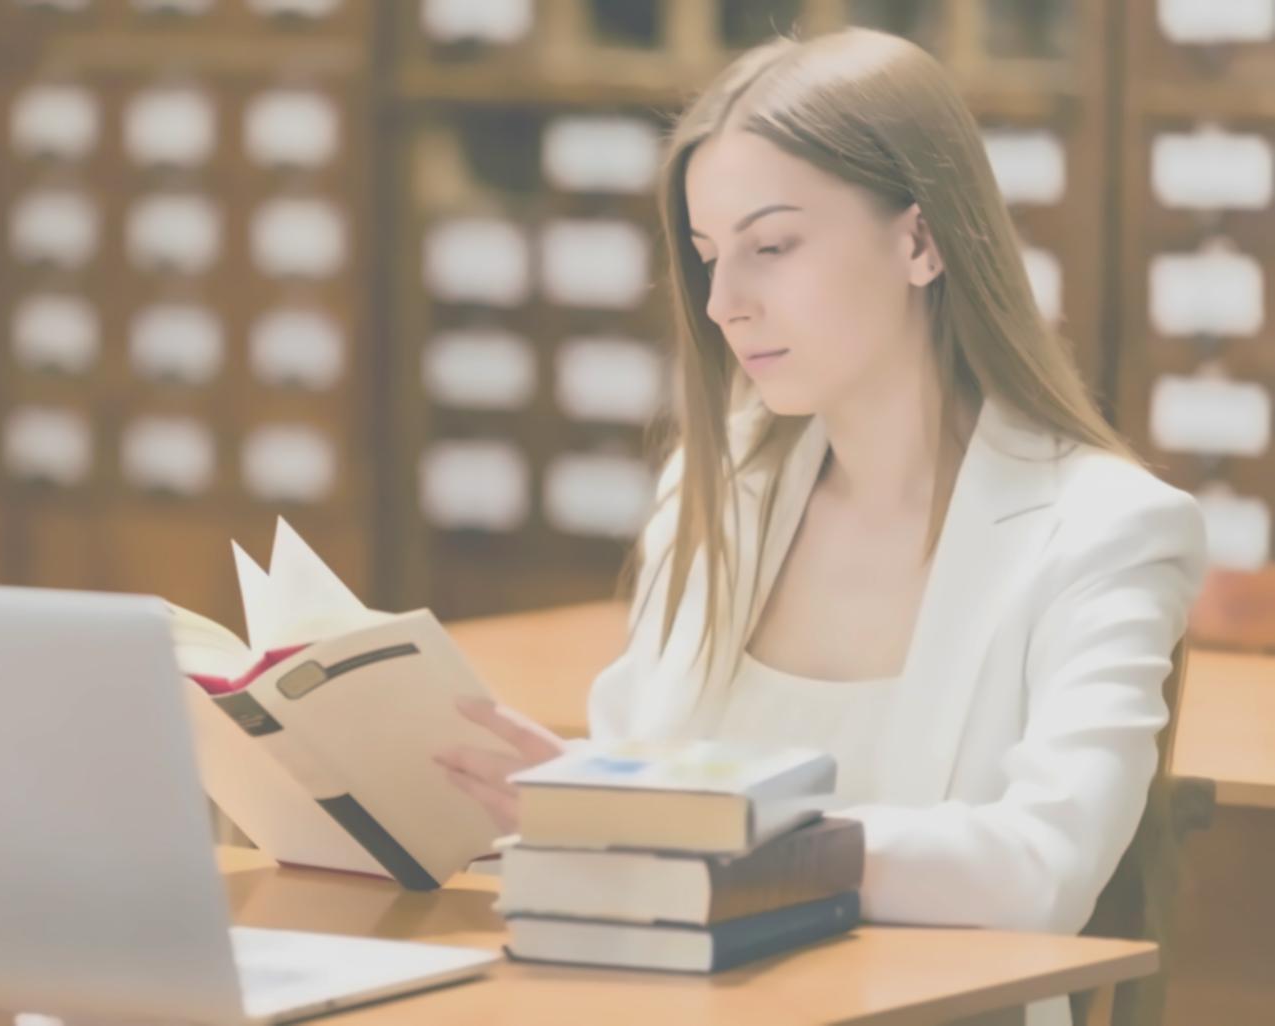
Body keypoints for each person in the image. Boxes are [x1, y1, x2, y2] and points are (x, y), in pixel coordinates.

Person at [434, 27, 1206, 1026]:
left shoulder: (1105, 530)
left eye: (772, 246)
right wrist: (571, 799)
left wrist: (717, 829)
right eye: (708, 258)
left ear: (920, 240)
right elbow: (630, 821)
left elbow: (1037, 870)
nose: (724, 304)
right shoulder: (714, 492)